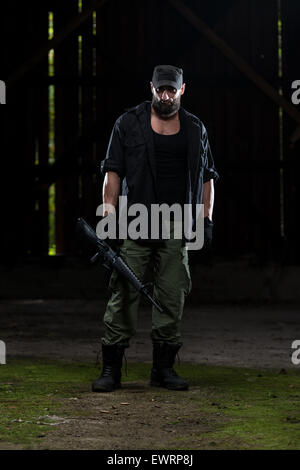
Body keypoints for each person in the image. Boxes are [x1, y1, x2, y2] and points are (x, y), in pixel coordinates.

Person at [92, 65, 219, 393]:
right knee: (124, 292)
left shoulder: (194, 128)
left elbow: (207, 177)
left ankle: (162, 369)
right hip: (136, 221)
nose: (165, 96)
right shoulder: (128, 124)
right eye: (160, 90)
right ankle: (111, 370)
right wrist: (107, 218)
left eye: (171, 90)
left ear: (182, 90)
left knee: (172, 293)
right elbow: (112, 174)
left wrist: (206, 220)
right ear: (151, 87)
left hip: (177, 222)